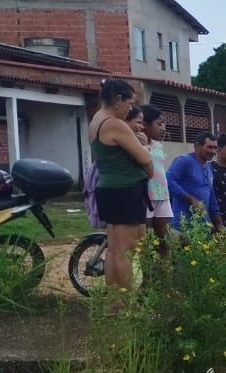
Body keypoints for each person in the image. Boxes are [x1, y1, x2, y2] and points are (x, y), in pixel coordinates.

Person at [88, 78, 153, 290]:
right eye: (130, 103)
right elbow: (144, 159)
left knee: (115, 249)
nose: (131, 108)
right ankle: (126, 303)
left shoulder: (96, 120)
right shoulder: (114, 124)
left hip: (107, 188)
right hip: (125, 190)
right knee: (126, 250)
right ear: (118, 99)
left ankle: (114, 302)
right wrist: (147, 156)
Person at [167, 132, 222, 232]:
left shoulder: (209, 167)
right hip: (182, 225)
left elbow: (211, 195)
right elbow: (168, 181)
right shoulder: (184, 161)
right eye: (209, 147)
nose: (213, 151)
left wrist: (218, 223)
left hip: (203, 226)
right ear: (196, 146)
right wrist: (191, 199)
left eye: (215, 148)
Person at [138, 105, 173, 258]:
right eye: (159, 124)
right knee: (144, 242)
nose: (163, 128)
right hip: (145, 197)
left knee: (164, 240)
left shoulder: (158, 146)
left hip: (162, 197)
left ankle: (163, 275)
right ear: (144, 124)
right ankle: (147, 279)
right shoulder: (136, 144)